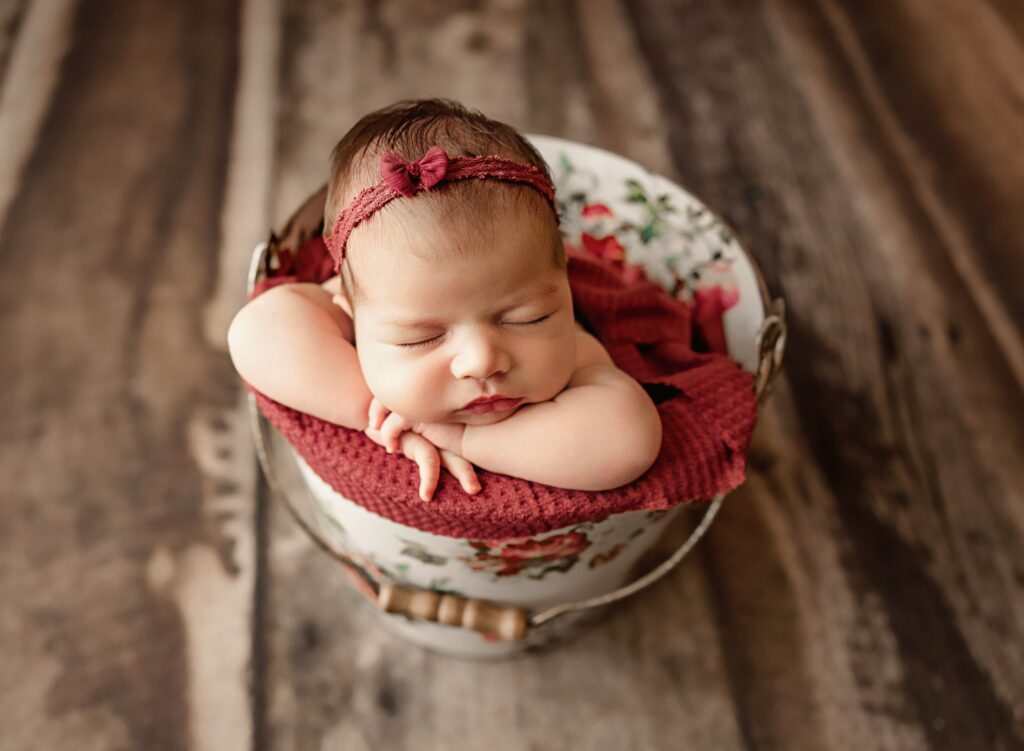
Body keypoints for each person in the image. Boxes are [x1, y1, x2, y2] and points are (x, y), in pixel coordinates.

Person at [228, 99, 662, 502]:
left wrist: (455, 436)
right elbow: (255, 331)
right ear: (348, 306)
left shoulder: (576, 353)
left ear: (564, 280)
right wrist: (371, 410)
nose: (481, 361)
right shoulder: (370, 297)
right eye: (420, 338)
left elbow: (628, 442)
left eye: (529, 318)